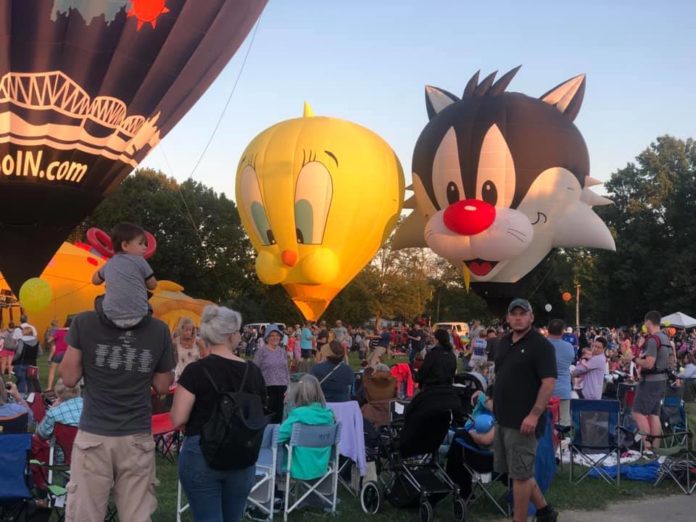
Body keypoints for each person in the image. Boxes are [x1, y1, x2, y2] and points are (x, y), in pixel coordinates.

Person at [59, 294, 175, 522]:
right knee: (136, 516)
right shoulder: (159, 329)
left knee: (85, 515)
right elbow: (162, 386)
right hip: (136, 433)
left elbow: (69, 378)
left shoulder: (84, 322)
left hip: (95, 431)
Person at [171, 305, 267, 522]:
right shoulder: (254, 373)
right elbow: (260, 413)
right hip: (242, 454)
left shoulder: (195, 371)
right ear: (232, 335)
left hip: (202, 453)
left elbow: (178, 418)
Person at [493, 298, 558, 522]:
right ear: (508, 318)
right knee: (518, 472)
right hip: (503, 418)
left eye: (523, 313)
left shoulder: (541, 345)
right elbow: (501, 374)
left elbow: (548, 382)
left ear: (531, 317)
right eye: (514, 314)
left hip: (524, 422)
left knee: (520, 476)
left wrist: (534, 414)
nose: (518, 317)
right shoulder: (503, 342)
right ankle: (545, 512)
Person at [91, 222, 157, 328]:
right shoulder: (140, 261)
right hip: (141, 318)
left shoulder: (110, 263)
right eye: (141, 244)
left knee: (99, 299)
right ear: (125, 245)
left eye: (145, 244)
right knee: (147, 302)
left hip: (110, 319)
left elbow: (94, 281)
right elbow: (153, 285)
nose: (145, 247)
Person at [279, 374, 335, 480]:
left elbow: (277, 437)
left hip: (297, 468)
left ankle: (276, 492)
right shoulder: (329, 416)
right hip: (321, 468)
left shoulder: (298, 415)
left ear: (298, 394)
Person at [632, 310, 670, 452]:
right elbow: (671, 360)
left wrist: (633, 358)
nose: (645, 327)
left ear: (648, 322)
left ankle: (648, 451)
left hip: (651, 382)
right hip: (662, 381)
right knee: (654, 415)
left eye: (645, 324)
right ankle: (656, 450)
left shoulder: (653, 339)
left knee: (638, 413)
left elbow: (649, 363)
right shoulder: (665, 338)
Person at [254, 324, 289, 423]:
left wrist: (288, 387)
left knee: (280, 417)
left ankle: (277, 438)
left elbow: (286, 370)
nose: (275, 337)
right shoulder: (261, 352)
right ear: (267, 337)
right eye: (272, 335)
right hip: (267, 388)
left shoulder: (282, 351)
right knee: (268, 418)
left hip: (282, 388)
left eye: (277, 335)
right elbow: (254, 370)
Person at [547, 319, 575, 426]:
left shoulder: (541, 345)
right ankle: (563, 442)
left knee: (546, 425)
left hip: (544, 391)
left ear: (548, 330)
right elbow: (570, 361)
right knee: (563, 423)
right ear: (562, 331)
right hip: (563, 389)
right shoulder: (569, 347)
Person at [14, 326, 40, 395]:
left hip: (21, 363)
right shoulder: (36, 341)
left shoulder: (21, 341)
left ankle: (20, 398)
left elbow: (19, 352)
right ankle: (31, 399)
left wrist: (14, 359)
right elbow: (40, 352)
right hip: (32, 363)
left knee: (22, 381)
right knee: (30, 382)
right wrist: (34, 357)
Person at [47, 319, 70, 391]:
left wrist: (54, 341)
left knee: (52, 371)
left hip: (58, 353)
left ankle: (49, 387)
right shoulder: (73, 332)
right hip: (68, 354)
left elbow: (49, 340)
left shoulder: (59, 331)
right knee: (66, 371)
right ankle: (66, 386)